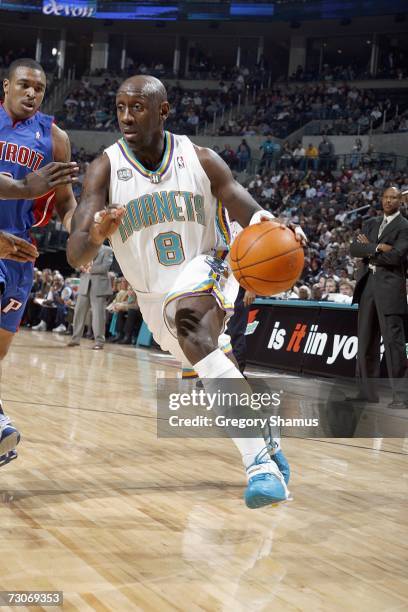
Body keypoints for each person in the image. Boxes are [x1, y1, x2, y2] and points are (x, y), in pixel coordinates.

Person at [67, 75, 306, 509]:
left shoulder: (201, 159)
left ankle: (260, 467)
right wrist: (97, 233)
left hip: (207, 268)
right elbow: (74, 252)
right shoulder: (104, 167)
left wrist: (275, 225)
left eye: (136, 107)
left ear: (163, 111)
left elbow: (246, 210)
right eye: (119, 107)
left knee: (192, 326)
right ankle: (263, 432)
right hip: (152, 298)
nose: (125, 117)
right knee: (211, 367)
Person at [0, 58, 78, 466]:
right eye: (25, 85)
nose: (32, 93)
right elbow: (20, 186)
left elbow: (64, 202)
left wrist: (83, 227)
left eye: (40, 89)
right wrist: (21, 187)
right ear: (7, 85)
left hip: (20, 253)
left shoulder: (54, 138)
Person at [350, 187, 408, 408]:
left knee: (394, 344)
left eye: (393, 198)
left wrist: (369, 250)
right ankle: (367, 392)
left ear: (400, 201)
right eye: (385, 197)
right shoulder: (371, 223)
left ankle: (402, 396)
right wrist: (376, 247)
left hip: (391, 288)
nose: (388, 201)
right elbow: (355, 248)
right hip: (367, 287)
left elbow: (396, 256)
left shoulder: (404, 226)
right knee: (365, 341)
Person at [66, 243, 113, 349]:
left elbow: (105, 267)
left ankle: (99, 342)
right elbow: (78, 266)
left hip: (99, 286)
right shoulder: (86, 248)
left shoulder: (107, 250)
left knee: (98, 316)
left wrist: (89, 269)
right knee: (78, 313)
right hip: (84, 285)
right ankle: (75, 339)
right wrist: (80, 266)